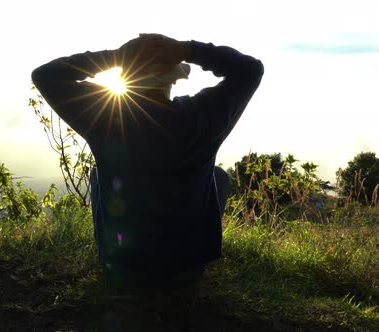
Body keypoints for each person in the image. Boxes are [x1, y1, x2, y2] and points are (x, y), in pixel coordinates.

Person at [32, 34, 263, 289]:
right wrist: (188, 50)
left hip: (123, 268)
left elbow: (45, 75)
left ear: (126, 78)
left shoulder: (107, 115)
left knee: (99, 175)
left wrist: (113, 57)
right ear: (174, 79)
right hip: (187, 270)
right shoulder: (203, 116)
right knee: (218, 176)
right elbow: (251, 69)